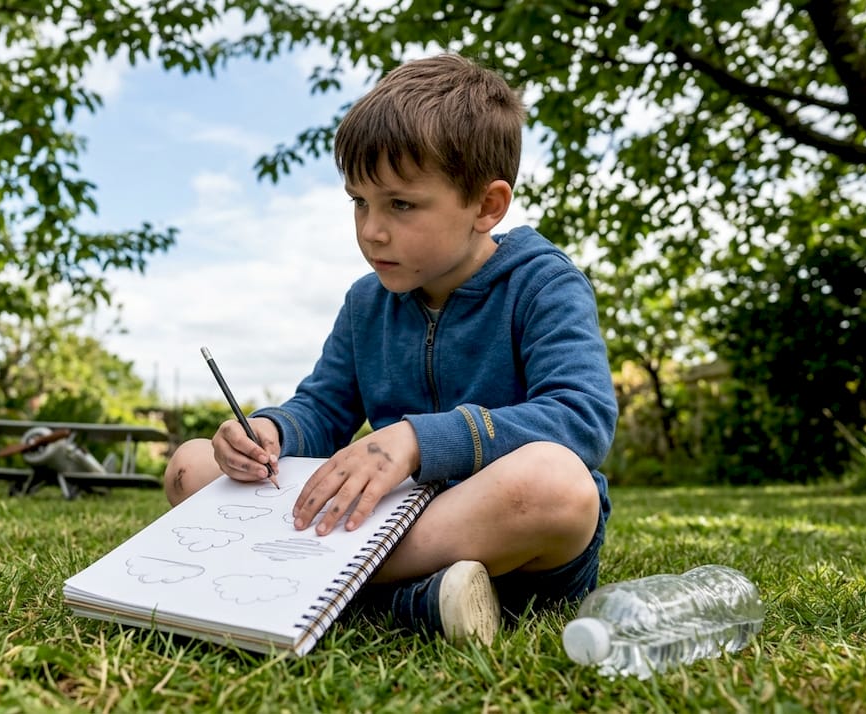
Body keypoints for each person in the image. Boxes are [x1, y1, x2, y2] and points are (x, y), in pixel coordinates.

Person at [164, 53, 618, 646]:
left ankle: (332, 591)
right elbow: (323, 411)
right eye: (359, 202)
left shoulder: (543, 283)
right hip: (385, 523)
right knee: (191, 466)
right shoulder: (365, 302)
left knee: (557, 483)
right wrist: (270, 433)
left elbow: (580, 418)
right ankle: (412, 603)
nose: (372, 230)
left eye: (400, 205)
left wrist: (416, 439)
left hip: (503, 534)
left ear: (487, 206)